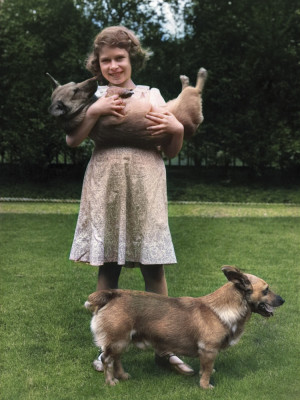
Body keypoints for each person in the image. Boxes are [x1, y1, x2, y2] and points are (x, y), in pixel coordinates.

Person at [66, 26, 193, 376]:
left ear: (131, 58)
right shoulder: (90, 97)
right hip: (105, 180)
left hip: (146, 180)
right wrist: (94, 111)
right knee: (109, 264)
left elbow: (169, 150)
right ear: (97, 64)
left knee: (154, 264)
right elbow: (72, 140)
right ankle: (106, 350)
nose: (113, 66)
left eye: (119, 58)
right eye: (105, 60)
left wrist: (177, 131)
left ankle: (165, 349)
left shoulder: (152, 96)